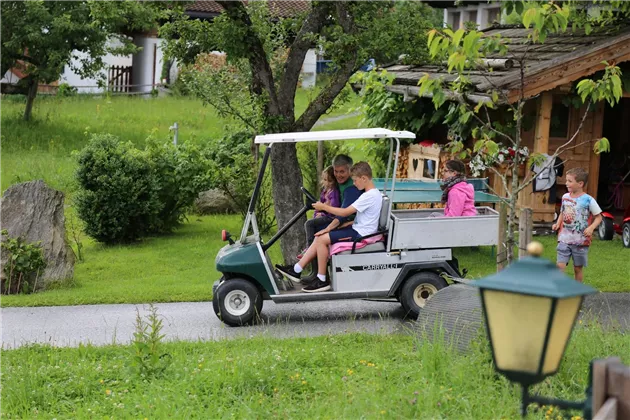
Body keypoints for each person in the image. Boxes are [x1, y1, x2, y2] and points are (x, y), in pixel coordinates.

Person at [277, 162, 382, 293]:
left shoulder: (368, 196)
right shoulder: (373, 194)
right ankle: (297, 270)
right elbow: (367, 217)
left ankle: (322, 280)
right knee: (320, 236)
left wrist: (324, 207)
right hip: (358, 229)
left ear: (364, 178)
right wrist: (346, 224)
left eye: (355, 181)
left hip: (360, 235)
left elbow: (344, 212)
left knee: (321, 240)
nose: (354, 184)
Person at [298, 154, 362, 258]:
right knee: (314, 226)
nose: (338, 175)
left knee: (312, 226)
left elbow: (343, 214)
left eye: (342, 172)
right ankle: (316, 265)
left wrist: (328, 227)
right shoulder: (338, 182)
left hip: (350, 224)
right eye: (336, 171)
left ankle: (310, 258)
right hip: (338, 218)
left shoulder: (351, 189)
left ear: (350, 170)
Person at [552, 167, 602, 282]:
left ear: (580, 183)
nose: (566, 183)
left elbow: (599, 217)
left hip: (580, 241)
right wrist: (557, 223)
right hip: (564, 239)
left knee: (577, 268)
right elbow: (562, 213)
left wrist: (591, 228)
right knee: (560, 266)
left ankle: (577, 292)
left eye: (570, 181)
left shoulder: (588, 200)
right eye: (566, 180)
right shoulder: (565, 197)